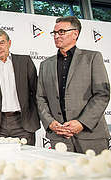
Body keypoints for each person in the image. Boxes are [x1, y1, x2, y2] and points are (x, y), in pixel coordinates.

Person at [37, 16, 110, 154]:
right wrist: (51, 123)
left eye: (62, 32)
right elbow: (41, 98)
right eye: (55, 32)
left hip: (90, 136)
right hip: (59, 138)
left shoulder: (92, 58)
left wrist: (81, 123)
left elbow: (102, 94)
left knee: (96, 175)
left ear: (75, 34)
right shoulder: (45, 65)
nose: (56, 36)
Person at [0, 29, 40, 145]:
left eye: (2, 43)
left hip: (24, 123)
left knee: (26, 160)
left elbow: (37, 93)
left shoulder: (25, 61)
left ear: (9, 43)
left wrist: (36, 117)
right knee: (2, 161)